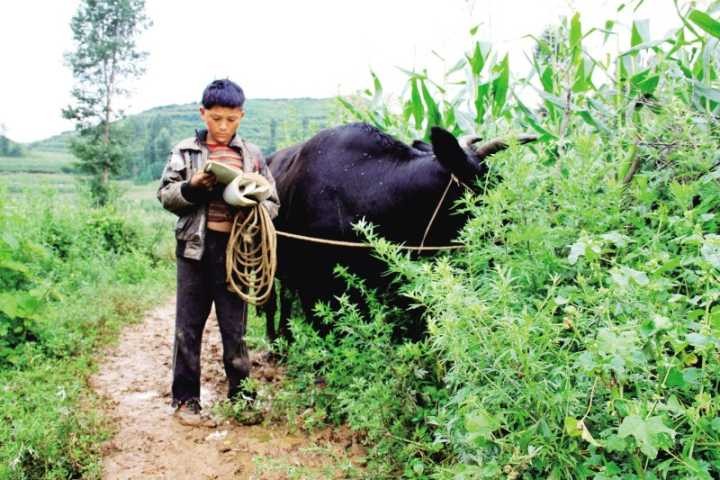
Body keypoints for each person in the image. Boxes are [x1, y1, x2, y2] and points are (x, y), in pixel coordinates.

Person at [157, 79, 279, 426]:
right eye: (216, 119)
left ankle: (241, 399)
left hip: (235, 253)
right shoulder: (185, 152)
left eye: (230, 119)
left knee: (235, 330)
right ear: (203, 113)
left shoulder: (253, 156)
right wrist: (191, 188)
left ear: (241, 116)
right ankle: (185, 401)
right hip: (195, 252)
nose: (223, 126)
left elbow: (273, 202)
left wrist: (254, 206)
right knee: (188, 328)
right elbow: (166, 195)